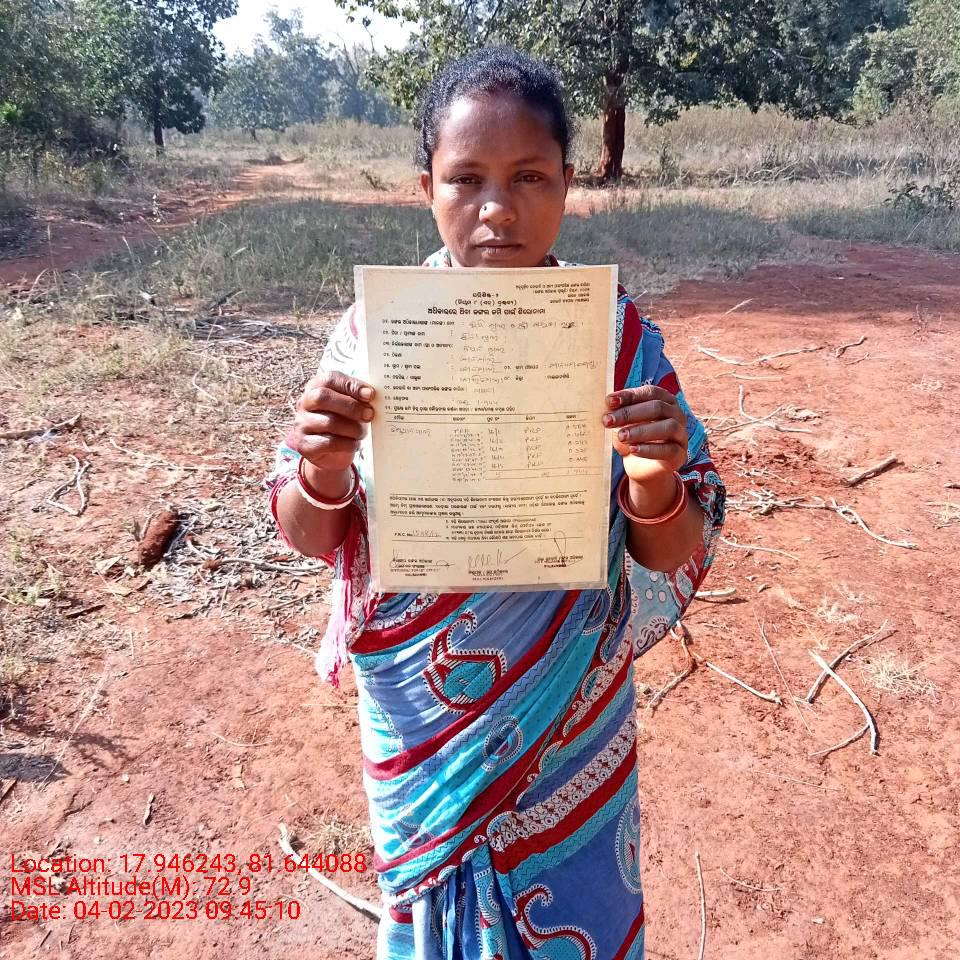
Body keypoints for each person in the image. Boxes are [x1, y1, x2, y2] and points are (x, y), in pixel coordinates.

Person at [267, 46, 726, 960]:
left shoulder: (616, 338)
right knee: (433, 910)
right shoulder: (374, 336)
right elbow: (311, 531)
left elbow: (670, 548)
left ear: (567, 183)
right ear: (426, 188)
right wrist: (324, 467)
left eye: (528, 177)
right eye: (466, 178)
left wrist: (651, 480)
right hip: (421, 715)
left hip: (571, 715)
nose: (497, 209)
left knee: (576, 908)